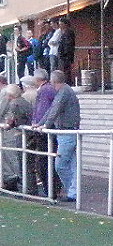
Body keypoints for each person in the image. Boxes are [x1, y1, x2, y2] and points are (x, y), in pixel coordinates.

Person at [35, 70, 80, 203]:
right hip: (65, 131)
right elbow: (52, 109)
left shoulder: (64, 92)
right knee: (71, 164)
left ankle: (72, 191)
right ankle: (73, 191)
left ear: (54, 81)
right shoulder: (63, 91)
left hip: (67, 131)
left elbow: (55, 108)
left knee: (60, 165)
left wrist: (45, 124)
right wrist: (41, 123)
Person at [31, 68, 61, 198]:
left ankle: (50, 189)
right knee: (49, 159)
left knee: (44, 160)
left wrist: (38, 123)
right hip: (51, 128)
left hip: (46, 131)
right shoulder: (50, 89)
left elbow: (42, 110)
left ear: (38, 79)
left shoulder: (44, 91)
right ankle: (52, 188)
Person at [1, 84, 34, 193]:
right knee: (26, 161)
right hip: (28, 133)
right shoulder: (24, 101)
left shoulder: (15, 103)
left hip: (23, 134)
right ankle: (27, 187)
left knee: (23, 161)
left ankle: (26, 188)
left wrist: (7, 125)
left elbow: (11, 120)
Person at [57, 18, 76, 85]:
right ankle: (67, 82)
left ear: (65, 24)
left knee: (66, 70)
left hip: (66, 55)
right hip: (63, 55)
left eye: (61, 24)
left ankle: (68, 83)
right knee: (64, 70)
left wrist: (65, 53)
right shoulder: (64, 32)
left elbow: (68, 44)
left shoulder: (68, 32)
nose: (60, 26)